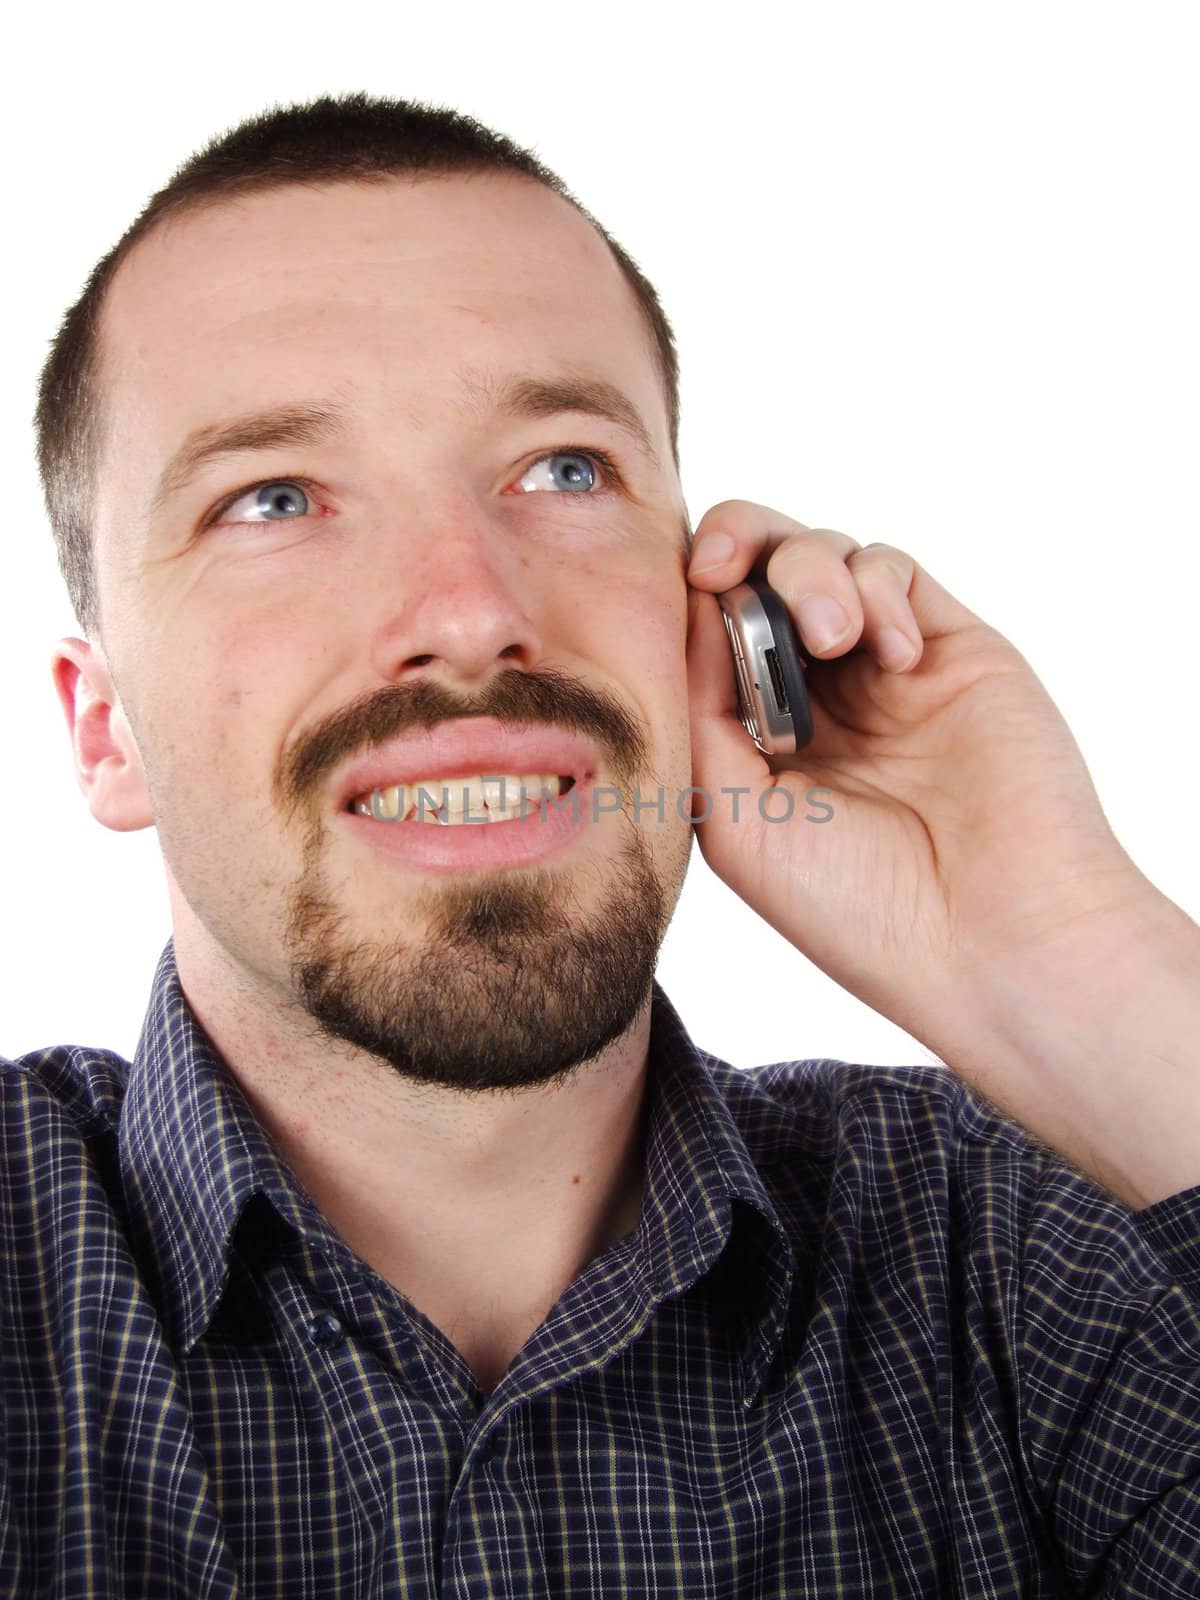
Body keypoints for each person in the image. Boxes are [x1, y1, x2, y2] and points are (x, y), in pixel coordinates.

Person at [3, 90, 1199, 1598]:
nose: (465, 608)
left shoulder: (1031, 1266)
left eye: (564, 469)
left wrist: (1084, 962)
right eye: (275, 498)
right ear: (104, 729)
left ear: (716, 610)